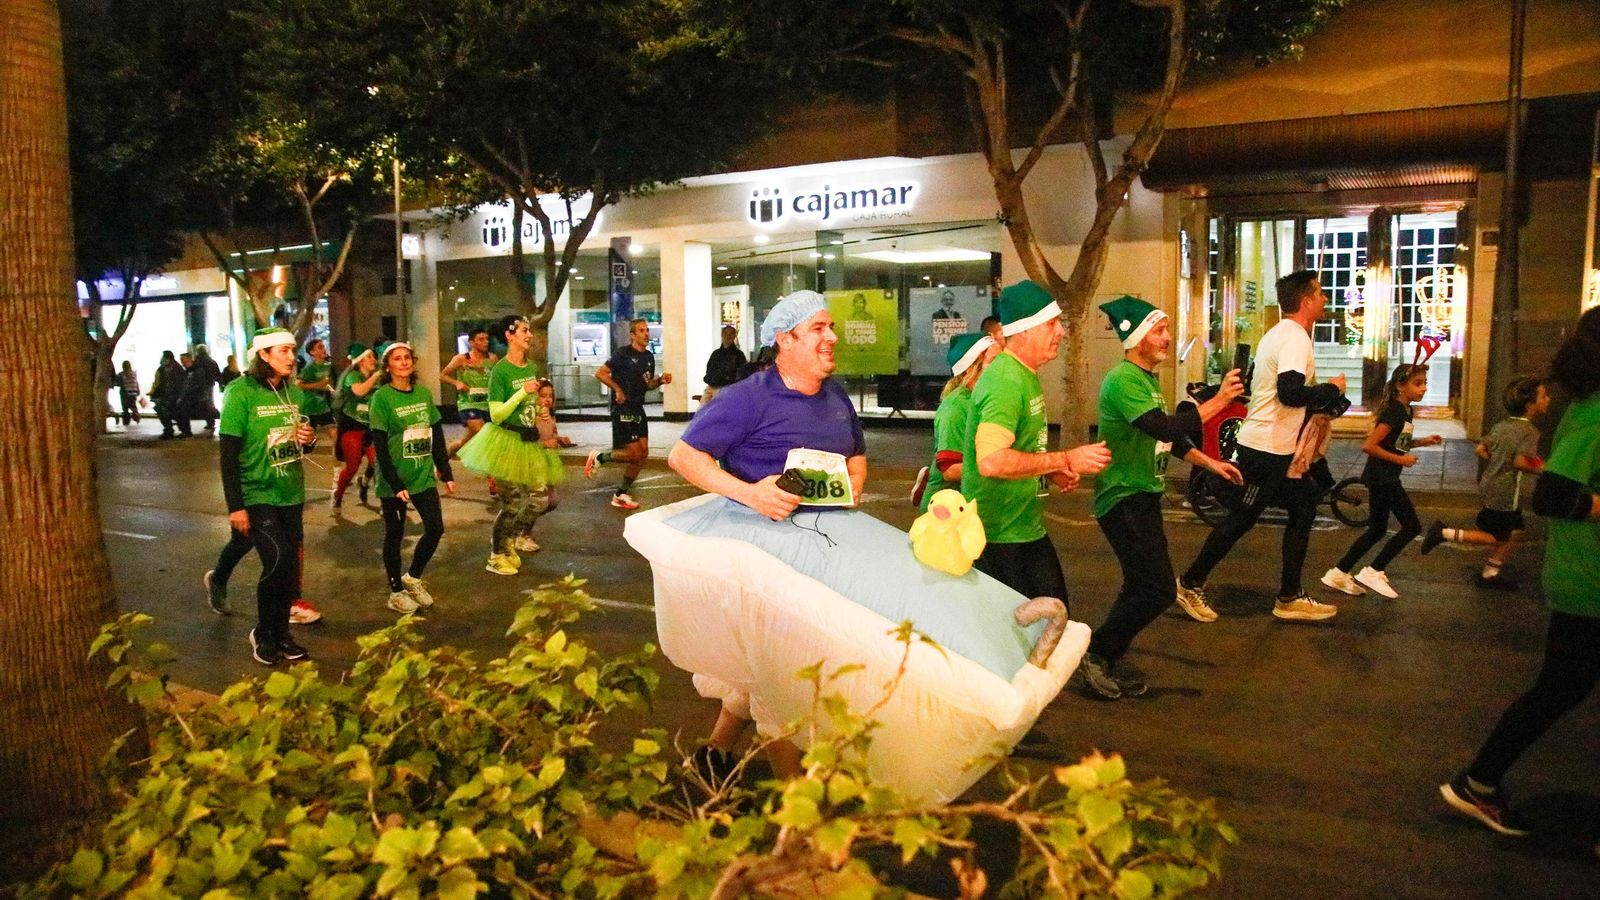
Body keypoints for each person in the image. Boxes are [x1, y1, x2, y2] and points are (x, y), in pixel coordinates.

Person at [666, 289, 867, 781]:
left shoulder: (835, 394)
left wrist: (855, 481)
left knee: (764, 668)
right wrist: (751, 494)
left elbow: (856, 451)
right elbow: (684, 457)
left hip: (825, 554)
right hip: (763, 563)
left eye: (831, 327)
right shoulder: (747, 398)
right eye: (819, 328)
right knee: (784, 679)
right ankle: (798, 812)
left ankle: (714, 753)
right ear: (786, 340)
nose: (832, 337)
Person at [1440, 305, 1600, 838]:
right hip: (1589, 580)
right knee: (1558, 689)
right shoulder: (1594, 411)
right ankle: (1479, 781)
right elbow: (1554, 493)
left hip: (1583, 578)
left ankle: (1480, 781)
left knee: (1560, 689)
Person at [1076, 296, 1245, 700]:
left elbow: (1167, 439)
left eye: (1167, 329)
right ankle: (1097, 653)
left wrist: (1208, 463)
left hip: (1143, 495)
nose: (1168, 338)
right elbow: (1165, 427)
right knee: (1157, 590)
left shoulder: (1147, 379)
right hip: (1123, 497)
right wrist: (1219, 401)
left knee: (1140, 584)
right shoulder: (1122, 380)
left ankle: (1106, 654)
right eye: (1159, 330)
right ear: (1136, 338)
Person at [1176, 270, 1349, 623]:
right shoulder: (1295, 338)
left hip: (1274, 448)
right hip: (1264, 450)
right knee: (1241, 519)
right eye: (1320, 293)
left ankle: (1289, 596)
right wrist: (1331, 389)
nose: (1325, 299)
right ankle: (1190, 582)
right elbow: (1290, 393)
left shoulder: (1278, 334)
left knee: (1303, 507)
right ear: (1306, 301)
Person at [959, 280, 1111, 615]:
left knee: (1054, 619)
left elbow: (1017, 450)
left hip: (1023, 527)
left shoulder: (1024, 374)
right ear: (1025, 331)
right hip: (998, 537)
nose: (1062, 332)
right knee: (1028, 632)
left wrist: (1051, 469)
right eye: (1051, 324)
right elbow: (991, 461)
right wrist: (1067, 457)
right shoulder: (1005, 381)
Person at [208, 328, 317, 666]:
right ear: (264, 355)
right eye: (283, 350)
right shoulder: (241, 393)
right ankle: (264, 633)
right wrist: (235, 506)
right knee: (279, 560)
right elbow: (228, 454)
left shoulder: (293, 394)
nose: (290, 357)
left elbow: (302, 438)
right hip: (256, 491)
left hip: (290, 490)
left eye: (292, 350)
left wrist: (308, 438)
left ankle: (282, 633)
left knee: (288, 569)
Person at [1320, 364, 1442, 600]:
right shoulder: (1394, 411)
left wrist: (1422, 442)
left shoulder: (1406, 410)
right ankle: (1374, 570)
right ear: (1400, 385)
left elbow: (1398, 442)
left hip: (1385, 476)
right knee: (1412, 526)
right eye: (1418, 383)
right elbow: (1369, 445)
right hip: (1382, 477)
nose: (1424, 388)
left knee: (1377, 530)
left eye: (1425, 383)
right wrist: (1401, 459)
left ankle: (1338, 572)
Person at [459, 316, 569, 575]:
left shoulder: (529, 366)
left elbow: (527, 405)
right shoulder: (501, 371)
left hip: (528, 439)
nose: (529, 335)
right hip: (505, 441)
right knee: (510, 505)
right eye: (524, 330)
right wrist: (522, 392)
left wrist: (540, 411)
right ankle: (496, 554)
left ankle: (509, 539)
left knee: (539, 500)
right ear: (510, 336)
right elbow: (496, 415)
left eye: (529, 330)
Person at [1421, 377, 1549, 588]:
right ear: (1529, 405)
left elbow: (1480, 448)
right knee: (1499, 537)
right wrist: (1544, 470)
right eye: (1543, 396)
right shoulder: (1530, 432)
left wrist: (1497, 459)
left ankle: (1491, 572)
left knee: (1515, 532)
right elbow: (1520, 461)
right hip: (1506, 493)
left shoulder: (1502, 425)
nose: (1548, 400)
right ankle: (1444, 533)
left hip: (1491, 484)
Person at [367, 342, 455, 614]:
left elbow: (436, 434)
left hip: (422, 475)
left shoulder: (423, 394)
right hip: (394, 480)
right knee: (395, 534)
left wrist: (445, 470)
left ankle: (413, 578)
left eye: (407, 358)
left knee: (435, 528)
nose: (404, 362)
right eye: (397, 359)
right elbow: (379, 445)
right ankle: (395, 591)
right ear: (388, 366)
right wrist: (395, 484)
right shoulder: (381, 397)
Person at [586, 318, 671, 510]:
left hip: (638, 407)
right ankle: (600, 458)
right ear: (632, 335)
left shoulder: (649, 357)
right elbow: (601, 373)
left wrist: (660, 381)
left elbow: (648, 384)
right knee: (633, 454)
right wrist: (617, 389)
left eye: (647, 330)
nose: (646, 334)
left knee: (643, 454)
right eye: (641, 331)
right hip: (623, 408)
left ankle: (621, 494)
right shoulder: (622, 354)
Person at [913, 332, 1002, 509]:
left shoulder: (987, 399)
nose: (1002, 368)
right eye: (994, 362)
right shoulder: (956, 407)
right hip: (945, 513)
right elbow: (950, 470)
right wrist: (1005, 466)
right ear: (970, 368)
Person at [331, 343, 381, 508]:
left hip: (371, 427)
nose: (373, 359)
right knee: (352, 467)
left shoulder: (377, 376)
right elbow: (359, 391)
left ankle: (367, 486)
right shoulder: (353, 376)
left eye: (374, 356)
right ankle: (338, 495)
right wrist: (375, 377)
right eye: (369, 357)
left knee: (378, 464)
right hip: (353, 427)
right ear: (360, 361)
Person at [442, 327, 499, 457]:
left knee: (471, 437)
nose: (486, 342)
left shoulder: (492, 358)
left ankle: (454, 449)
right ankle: (487, 467)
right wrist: (457, 383)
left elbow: (497, 379)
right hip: (468, 403)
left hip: (486, 403)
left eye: (487, 339)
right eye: (481, 339)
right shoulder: (461, 359)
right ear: (472, 342)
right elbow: (443, 375)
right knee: (482, 432)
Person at [296, 338, 335, 440]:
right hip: (310, 407)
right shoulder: (309, 368)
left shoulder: (328, 365)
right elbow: (297, 384)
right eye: (320, 347)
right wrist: (317, 385)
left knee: (334, 431)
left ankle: (340, 455)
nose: (324, 349)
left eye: (323, 346)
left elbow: (327, 382)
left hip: (323, 406)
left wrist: (329, 388)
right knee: (308, 438)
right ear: (312, 352)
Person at [700, 324, 746, 404]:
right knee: (701, 409)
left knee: (716, 407)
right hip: (711, 386)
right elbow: (709, 369)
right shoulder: (716, 354)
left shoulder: (739, 355)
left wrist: (726, 381)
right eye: (725, 333)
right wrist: (710, 380)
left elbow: (741, 374)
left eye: (731, 333)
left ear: (735, 336)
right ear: (722, 335)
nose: (728, 336)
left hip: (726, 388)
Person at [183, 345, 222, 432]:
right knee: (209, 402)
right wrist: (219, 383)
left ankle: (210, 420)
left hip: (201, 385)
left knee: (205, 403)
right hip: (209, 384)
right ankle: (211, 420)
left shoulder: (198, 361)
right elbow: (217, 373)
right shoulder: (211, 361)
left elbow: (193, 371)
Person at [151, 350, 187, 438]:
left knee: (164, 409)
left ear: (168, 358)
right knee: (161, 408)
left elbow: (178, 384)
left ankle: (169, 429)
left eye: (164, 358)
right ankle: (169, 428)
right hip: (169, 396)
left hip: (174, 396)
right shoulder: (165, 368)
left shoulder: (175, 368)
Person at [116, 360, 141, 426]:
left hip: (126, 392)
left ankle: (126, 421)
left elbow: (118, 383)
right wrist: (138, 391)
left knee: (125, 407)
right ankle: (136, 415)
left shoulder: (121, 374)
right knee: (133, 405)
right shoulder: (133, 373)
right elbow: (136, 382)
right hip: (134, 392)